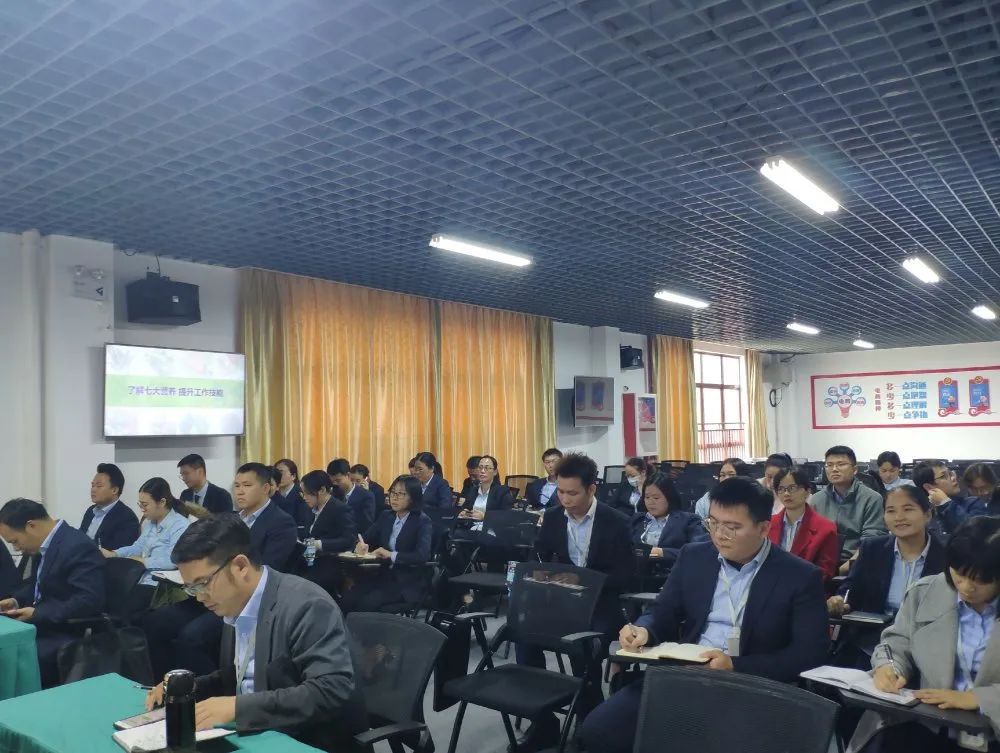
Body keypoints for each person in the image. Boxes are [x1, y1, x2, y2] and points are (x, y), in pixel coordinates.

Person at [579, 477, 830, 753]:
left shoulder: (799, 576)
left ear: (763, 528)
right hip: (685, 674)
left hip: (751, 685)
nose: (720, 534)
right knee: (598, 730)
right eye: (713, 523)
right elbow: (664, 610)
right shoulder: (695, 556)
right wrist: (644, 629)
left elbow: (809, 653)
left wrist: (735, 665)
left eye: (732, 527)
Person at [143, 515, 366, 753]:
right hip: (256, 732)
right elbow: (243, 677)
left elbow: (330, 690)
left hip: (305, 740)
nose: (199, 596)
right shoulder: (235, 604)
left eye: (203, 583)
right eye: (191, 588)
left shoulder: (306, 605)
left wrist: (237, 709)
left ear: (240, 566)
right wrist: (188, 690)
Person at [516, 453, 634, 750]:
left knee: (582, 645)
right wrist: (545, 576)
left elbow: (627, 575)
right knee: (524, 636)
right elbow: (539, 557)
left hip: (602, 604)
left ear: (592, 489)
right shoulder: (554, 517)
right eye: (561, 492)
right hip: (562, 601)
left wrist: (584, 580)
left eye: (572, 493)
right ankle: (543, 721)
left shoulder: (616, 522)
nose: (565, 499)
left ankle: (589, 717)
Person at [142, 463, 299, 679]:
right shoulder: (229, 519)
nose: (239, 491)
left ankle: (211, 688)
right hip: (208, 590)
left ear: (266, 488)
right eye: (237, 486)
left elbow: (269, 568)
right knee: (155, 621)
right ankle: (168, 684)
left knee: (191, 637)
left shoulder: (281, 522)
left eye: (247, 485)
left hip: (242, 600)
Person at [869, 516, 1000, 752]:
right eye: (959, 575)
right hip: (930, 726)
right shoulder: (925, 592)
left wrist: (981, 699)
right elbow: (897, 642)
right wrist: (889, 667)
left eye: (980, 581)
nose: (966, 587)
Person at [0, 498, 106, 687]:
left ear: (31, 526)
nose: (16, 548)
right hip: (43, 622)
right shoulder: (46, 544)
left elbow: (89, 600)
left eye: (15, 541)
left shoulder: (77, 546)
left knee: (7, 653)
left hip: (64, 630)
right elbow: (37, 584)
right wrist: (16, 601)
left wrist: (38, 613)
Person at [341, 475, 433, 613]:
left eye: (401, 494)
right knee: (347, 599)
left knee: (367, 603)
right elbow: (363, 538)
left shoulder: (422, 521)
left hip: (406, 581)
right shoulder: (386, 516)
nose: (394, 498)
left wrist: (391, 555)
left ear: (413, 497)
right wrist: (359, 546)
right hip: (382, 575)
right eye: (393, 492)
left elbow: (422, 555)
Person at [102, 477, 191, 591]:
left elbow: (174, 560)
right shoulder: (151, 523)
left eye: (145, 505)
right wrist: (114, 554)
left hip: (161, 587)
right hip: (140, 578)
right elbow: (138, 547)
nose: (142, 510)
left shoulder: (180, 525)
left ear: (162, 502)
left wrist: (143, 561)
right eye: (140, 505)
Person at [809, 445, 887, 567]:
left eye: (841, 464)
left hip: (857, 562)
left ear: (854, 469)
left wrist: (846, 567)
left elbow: (871, 540)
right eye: (829, 465)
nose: (834, 469)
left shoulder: (872, 498)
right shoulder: (816, 499)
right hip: (821, 563)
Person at [768, 467, 839, 581]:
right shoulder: (767, 524)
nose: (786, 493)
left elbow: (825, 572)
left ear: (807, 491)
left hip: (805, 587)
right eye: (781, 489)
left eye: (792, 488)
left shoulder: (826, 529)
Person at [631, 471, 708, 566]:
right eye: (647, 497)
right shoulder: (638, 519)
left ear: (669, 497)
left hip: (671, 571)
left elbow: (698, 551)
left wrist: (659, 553)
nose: (650, 502)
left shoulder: (689, 520)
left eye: (656, 498)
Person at [300, 470, 356, 595]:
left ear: (322, 490)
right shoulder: (309, 508)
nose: (304, 497)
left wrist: (319, 544)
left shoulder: (340, 509)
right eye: (302, 493)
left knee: (305, 585)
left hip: (330, 562)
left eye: (307, 493)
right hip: (309, 559)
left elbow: (349, 540)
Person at [914, 460, 986, 538]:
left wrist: (946, 503)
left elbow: (976, 532)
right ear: (928, 487)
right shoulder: (920, 514)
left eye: (951, 473)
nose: (953, 478)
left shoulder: (973, 503)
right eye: (943, 476)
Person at [81, 463, 141, 551]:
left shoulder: (127, 517)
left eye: (99, 486)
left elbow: (119, 552)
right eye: (92, 485)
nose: (93, 489)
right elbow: (80, 538)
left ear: (114, 490)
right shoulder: (90, 511)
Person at [459, 455, 514, 521]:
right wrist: (464, 512)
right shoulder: (473, 490)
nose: (482, 471)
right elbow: (465, 508)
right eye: (480, 467)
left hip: (489, 526)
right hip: (471, 525)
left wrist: (484, 517)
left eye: (487, 468)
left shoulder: (502, 492)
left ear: (495, 472)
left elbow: (507, 516)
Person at [328, 459, 376, 532]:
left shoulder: (366, 496)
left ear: (348, 475)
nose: (335, 484)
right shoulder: (332, 495)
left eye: (338, 480)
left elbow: (366, 526)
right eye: (332, 481)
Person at [271, 459, 310, 527]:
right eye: (276, 473)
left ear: (293, 476)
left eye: (281, 473)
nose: (278, 477)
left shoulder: (302, 495)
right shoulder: (271, 494)